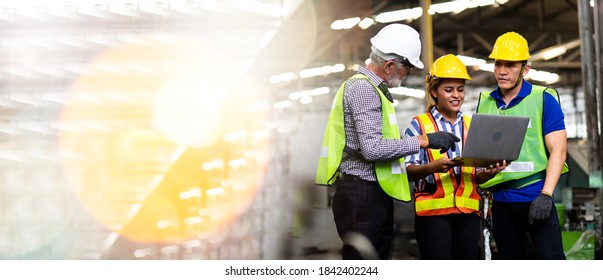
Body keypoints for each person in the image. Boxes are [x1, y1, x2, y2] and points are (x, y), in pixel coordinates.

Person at [315, 23, 460, 260]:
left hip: (369, 193)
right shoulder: (363, 89)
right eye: (407, 68)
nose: (408, 74)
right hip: (361, 195)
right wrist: (425, 140)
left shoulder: (373, 89)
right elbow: (372, 149)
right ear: (390, 65)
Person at [403, 54, 507, 260]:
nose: (456, 95)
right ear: (434, 91)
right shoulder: (419, 125)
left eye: (460, 89)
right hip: (433, 216)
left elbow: (474, 176)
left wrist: (489, 174)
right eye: (448, 90)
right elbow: (407, 171)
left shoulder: (471, 125)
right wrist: (433, 167)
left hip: (467, 214)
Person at [476, 31, 569, 260]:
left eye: (510, 65)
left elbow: (559, 150)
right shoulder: (485, 102)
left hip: (536, 197)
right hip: (500, 203)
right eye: (498, 64)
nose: (502, 71)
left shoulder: (543, 98)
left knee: (552, 263)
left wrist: (546, 195)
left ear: (525, 69)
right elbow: (479, 156)